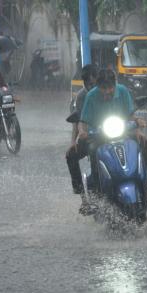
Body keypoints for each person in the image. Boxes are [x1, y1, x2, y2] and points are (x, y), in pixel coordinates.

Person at [66, 69, 147, 209]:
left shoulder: (123, 91)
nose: (108, 91)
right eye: (104, 88)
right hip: (98, 135)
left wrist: (137, 127)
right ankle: (90, 192)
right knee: (79, 152)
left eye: (110, 87)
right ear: (98, 87)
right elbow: (82, 121)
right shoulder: (91, 96)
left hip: (122, 131)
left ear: (115, 85)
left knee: (143, 142)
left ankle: (145, 186)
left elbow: (131, 115)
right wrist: (82, 132)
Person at [65, 64, 98, 195]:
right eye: (87, 84)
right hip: (89, 136)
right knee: (71, 155)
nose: (91, 87)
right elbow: (77, 121)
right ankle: (81, 192)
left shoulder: (106, 91)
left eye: (93, 84)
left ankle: (142, 187)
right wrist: (73, 142)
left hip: (111, 134)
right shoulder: (80, 96)